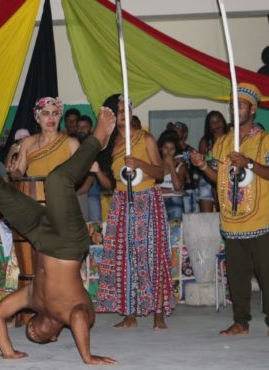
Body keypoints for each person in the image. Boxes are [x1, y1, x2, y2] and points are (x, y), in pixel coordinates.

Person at [0, 106, 118, 365]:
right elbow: (79, 321)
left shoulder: (33, 299)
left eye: (29, 334)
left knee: (0, 193)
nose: (31, 331)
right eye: (36, 336)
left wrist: (8, 351)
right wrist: (87, 356)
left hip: (41, 238)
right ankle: (98, 139)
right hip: (70, 245)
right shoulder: (75, 314)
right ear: (53, 337)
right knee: (57, 181)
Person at [191, 82, 269, 337]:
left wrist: (249, 163)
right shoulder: (222, 143)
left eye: (240, 104)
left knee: (266, 271)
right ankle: (241, 321)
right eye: (233, 104)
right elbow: (218, 177)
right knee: (236, 273)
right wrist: (201, 166)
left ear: (253, 109)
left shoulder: (268, 140)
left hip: (260, 218)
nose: (235, 109)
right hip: (231, 220)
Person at [94, 94, 173, 330]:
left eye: (125, 108)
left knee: (152, 256)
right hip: (121, 204)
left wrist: (139, 164)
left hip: (148, 201)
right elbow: (109, 185)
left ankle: (158, 314)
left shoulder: (145, 138)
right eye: (117, 110)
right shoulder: (107, 145)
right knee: (125, 258)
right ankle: (129, 314)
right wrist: (97, 171)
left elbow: (159, 173)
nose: (122, 114)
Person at [7, 97, 79, 305]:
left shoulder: (71, 143)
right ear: (37, 117)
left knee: (56, 262)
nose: (51, 118)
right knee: (34, 262)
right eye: (45, 113)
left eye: (55, 113)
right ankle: (31, 307)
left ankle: (59, 308)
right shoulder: (28, 143)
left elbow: (77, 173)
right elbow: (18, 171)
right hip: (32, 207)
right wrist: (13, 172)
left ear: (60, 117)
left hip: (61, 208)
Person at [197, 111, 229, 212]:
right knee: (206, 218)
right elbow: (201, 162)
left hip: (225, 178)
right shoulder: (205, 141)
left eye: (219, 120)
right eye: (213, 122)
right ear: (209, 126)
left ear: (223, 122)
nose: (216, 124)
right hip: (207, 180)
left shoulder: (231, 139)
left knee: (223, 212)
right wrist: (209, 156)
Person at [158, 135, 186, 222]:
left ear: (175, 150)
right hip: (158, 201)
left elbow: (178, 186)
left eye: (172, 148)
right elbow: (152, 188)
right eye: (166, 148)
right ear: (161, 148)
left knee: (176, 232)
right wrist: (172, 191)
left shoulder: (180, 165)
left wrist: (171, 166)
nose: (168, 151)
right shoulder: (155, 165)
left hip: (175, 201)